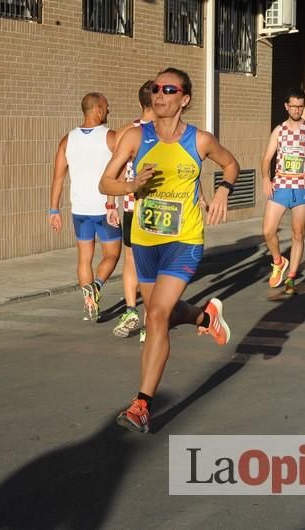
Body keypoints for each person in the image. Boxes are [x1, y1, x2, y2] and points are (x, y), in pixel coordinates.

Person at [99, 67, 239, 433]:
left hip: (184, 240)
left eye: (168, 89)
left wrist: (223, 189)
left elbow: (231, 164)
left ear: (185, 98)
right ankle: (204, 317)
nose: (159, 95)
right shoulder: (134, 136)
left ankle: (141, 405)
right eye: (155, 89)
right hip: (145, 241)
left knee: (157, 316)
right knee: (159, 315)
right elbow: (105, 183)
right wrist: (131, 183)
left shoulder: (200, 140)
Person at [49, 93, 122, 320]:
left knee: (84, 258)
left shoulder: (67, 139)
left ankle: (88, 299)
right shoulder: (111, 137)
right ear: (97, 110)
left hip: (79, 210)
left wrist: (53, 210)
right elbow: (118, 170)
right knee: (112, 254)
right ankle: (97, 286)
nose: (109, 111)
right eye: (107, 107)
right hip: (104, 209)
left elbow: (58, 178)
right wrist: (112, 203)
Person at [261, 88, 305, 296]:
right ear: (286, 106)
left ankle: (291, 277)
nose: (297, 110)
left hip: (302, 188)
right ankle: (278, 261)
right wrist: (266, 178)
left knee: (297, 233)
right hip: (280, 185)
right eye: (293, 106)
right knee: (268, 231)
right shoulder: (279, 130)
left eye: (300, 106)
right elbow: (266, 159)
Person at [111, 81, 157, 339]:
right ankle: (148, 318)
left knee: (131, 260)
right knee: (154, 263)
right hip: (159, 207)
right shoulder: (167, 132)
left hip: (131, 205)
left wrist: (110, 204)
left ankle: (131, 310)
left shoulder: (127, 132)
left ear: (141, 102)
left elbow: (113, 171)